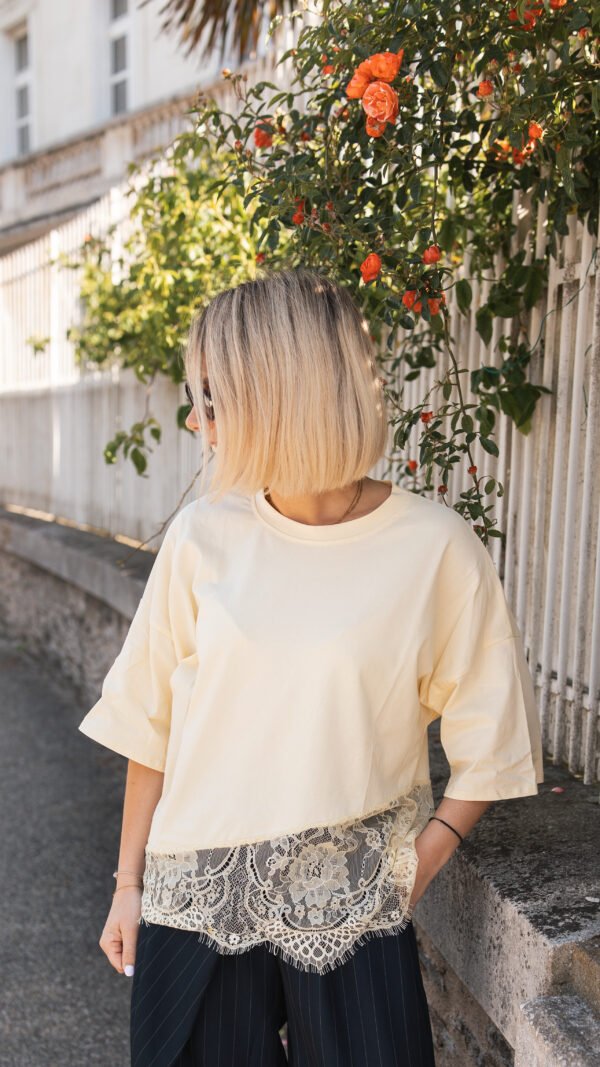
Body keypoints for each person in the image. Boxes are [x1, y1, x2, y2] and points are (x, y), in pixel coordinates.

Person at [78, 266, 544, 1067]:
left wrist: (408, 871)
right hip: (194, 912)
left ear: (275, 398)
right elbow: (148, 726)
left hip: (356, 918)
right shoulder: (200, 537)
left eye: (213, 400)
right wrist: (129, 885)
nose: (198, 420)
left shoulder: (434, 548)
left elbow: (491, 746)